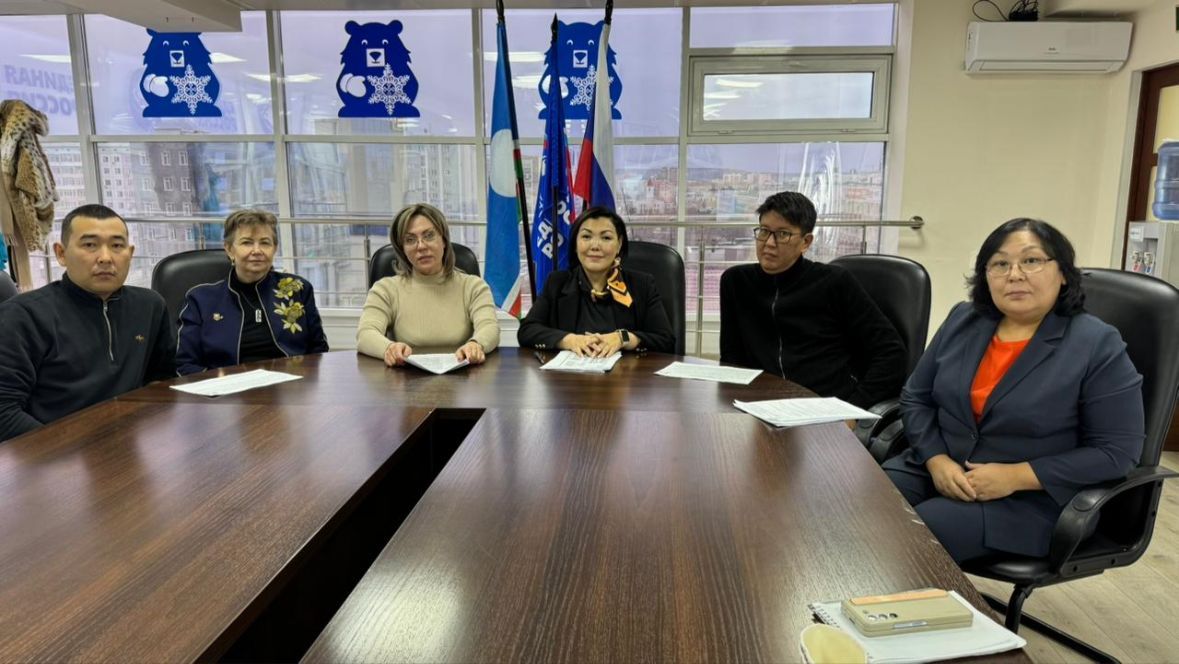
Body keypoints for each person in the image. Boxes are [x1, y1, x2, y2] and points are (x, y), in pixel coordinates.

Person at [884, 218, 1144, 563]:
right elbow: (916, 396)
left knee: (914, 538)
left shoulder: (1096, 343)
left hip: (1031, 499)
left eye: (1031, 260)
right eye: (1000, 264)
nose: (1015, 275)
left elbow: (1117, 452)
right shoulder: (964, 319)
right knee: (851, 507)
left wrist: (1016, 476)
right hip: (936, 468)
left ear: (1063, 273)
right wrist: (936, 459)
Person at [0, 204, 175, 442]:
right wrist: (71, 452)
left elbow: (162, 379)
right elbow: (4, 412)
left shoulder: (150, 306)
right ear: (61, 253)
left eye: (117, 246)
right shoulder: (22, 316)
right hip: (54, 453)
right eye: (90, 245)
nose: (105, 258)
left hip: (128, 444)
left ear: (130, 253)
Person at [719, 191, 906, 408]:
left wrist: (853, 409)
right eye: (764, 231)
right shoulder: (736, 282)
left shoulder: (834, 282)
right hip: (759, 405)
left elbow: (891, 353)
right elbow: (732, 359)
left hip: (826, 405)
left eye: (782, 234)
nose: (769, 243)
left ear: (805, 242)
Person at [176, 209, 328, 375]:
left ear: (275, 249)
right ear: (229, 249)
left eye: (265, 243)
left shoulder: (298, 288)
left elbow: (319, 352)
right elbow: (185, 364)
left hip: (290, 384)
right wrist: (220, 384)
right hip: (226, 387)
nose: (257, 250)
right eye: (247, 243)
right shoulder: (201, 299)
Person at [518, 206, 674, 356]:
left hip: (626, 373)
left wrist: (623, 338)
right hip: (570, 372)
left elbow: (665, 340)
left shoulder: (642, 285)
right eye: (586, 236)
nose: (595, 246)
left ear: (619, 244)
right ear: (575, 244)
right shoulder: (557, 283)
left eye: (606, 238)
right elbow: (527, 331)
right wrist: (570, 340)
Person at [357, 203, 499, 366]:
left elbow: (490, 327)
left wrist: (476, 344)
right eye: (410, 240)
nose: (421, 246)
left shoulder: (473, 286)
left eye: (429, 235)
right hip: (406, 377)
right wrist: (389, 348)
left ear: (444, 240)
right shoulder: (386, 289)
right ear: (402, 249)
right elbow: (365, 333)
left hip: (462, 376)